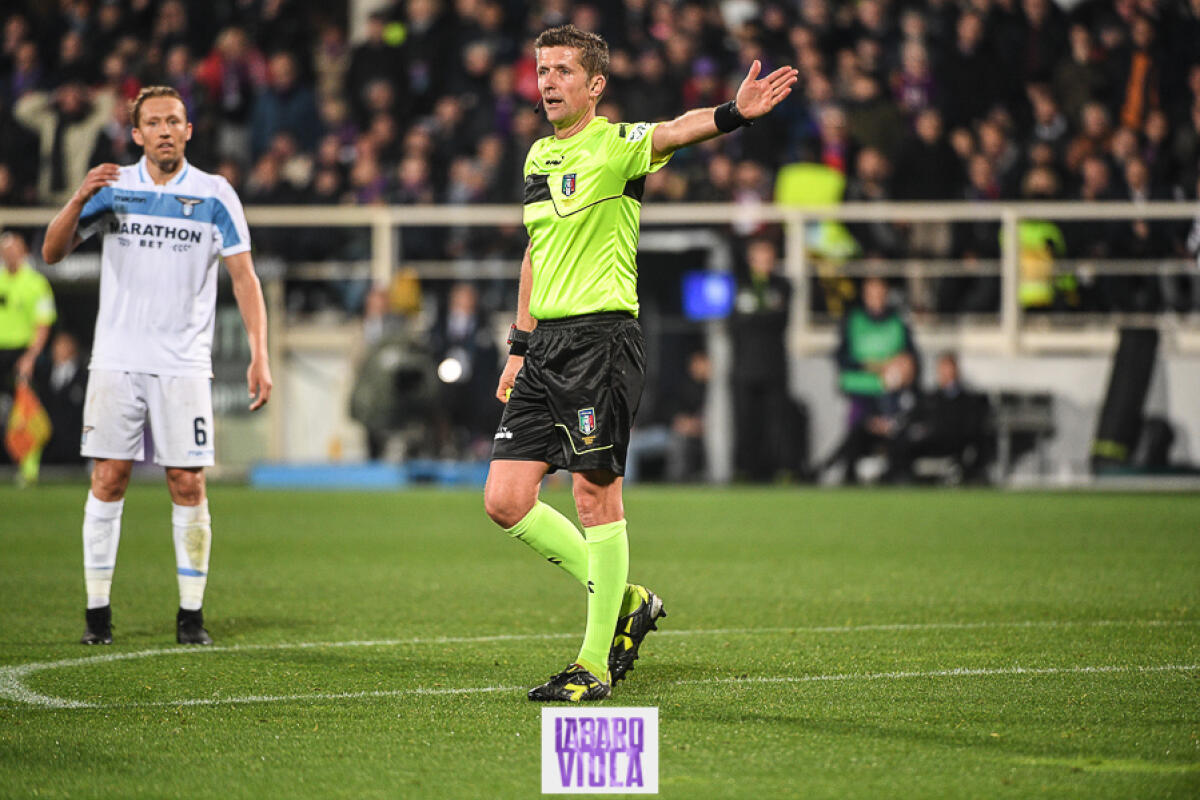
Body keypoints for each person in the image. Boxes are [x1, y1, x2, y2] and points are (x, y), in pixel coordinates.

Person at [483, 24, 796, 702]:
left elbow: (677, 131)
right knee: (505, 500)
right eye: (542, 70)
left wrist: (733, 112)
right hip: (545, 349)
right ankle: (627, 599)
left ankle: (593, 666)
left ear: (595, 85)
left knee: (595, 495)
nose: (548, 81)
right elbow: (536, 253)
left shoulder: (616, 144)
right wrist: (518, 344)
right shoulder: (537, 155)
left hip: (601, 343)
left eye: (563, 70)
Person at [41, 86, 272, 647]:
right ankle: (98, 616)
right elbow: (51, 252)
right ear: (136, 133)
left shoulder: (215, 194)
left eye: (174, 120)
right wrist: (77, 198)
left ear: (189, 130)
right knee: (109, 478)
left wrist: (260, 353)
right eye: (154, 122)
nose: (165, 130)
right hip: (117, 361)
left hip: (184, 366)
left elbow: (244, 277)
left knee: (188, 483)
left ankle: (190, 616)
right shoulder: (114, 188)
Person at [827, 276, 919, 484]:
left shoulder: (898, 321)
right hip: (860, 390)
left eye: (880, 294)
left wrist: (905, 368)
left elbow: (912, 358)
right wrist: (877, 366)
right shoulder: (853, 320)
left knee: (897, 431)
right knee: (858, 433)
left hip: (891, 391)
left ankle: (897, 474)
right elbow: (842, 357)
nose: (876, 299)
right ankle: (847, 473)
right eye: (872, 294)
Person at [881, 352, 992, 484]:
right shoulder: (931, 397)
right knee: (900, 441)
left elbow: (971, 424)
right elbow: (914, 417)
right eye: (942, 369)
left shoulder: (967, 399)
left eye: (948, 369)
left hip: (952, 439)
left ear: (955, 371)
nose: (945, 373)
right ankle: (898, 477)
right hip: (930, 438)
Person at [0, 231, 57, 484]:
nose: (8, 255)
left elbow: (43, 324)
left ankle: (29, 468)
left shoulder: (36, 283)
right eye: (4, 250)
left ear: (23, 252)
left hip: (22, 353)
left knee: (26, 412)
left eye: (13, 249)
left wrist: (31, 357)